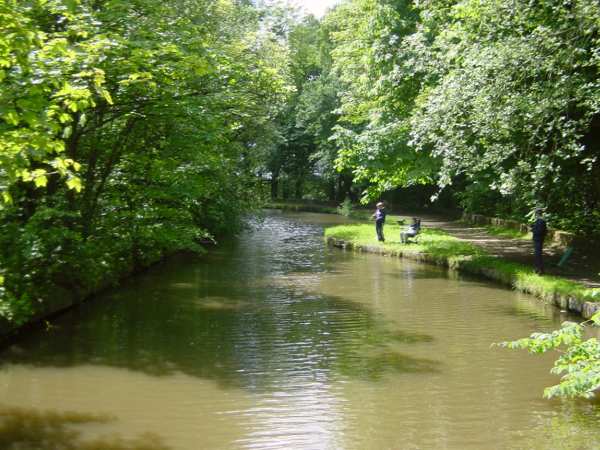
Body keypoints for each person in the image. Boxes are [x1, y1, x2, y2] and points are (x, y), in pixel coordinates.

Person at [530, 208, 547, 274]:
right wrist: (533, 227)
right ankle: (537, 269)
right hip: (537, 239)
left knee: (538, 254)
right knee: (537, 254)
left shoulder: (541, 221)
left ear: (537, 213)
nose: (535, 215)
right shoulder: (538, 221)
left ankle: (540, 270)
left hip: (539, 239)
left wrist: (532, 229)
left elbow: (540, 231)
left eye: (535, 213)